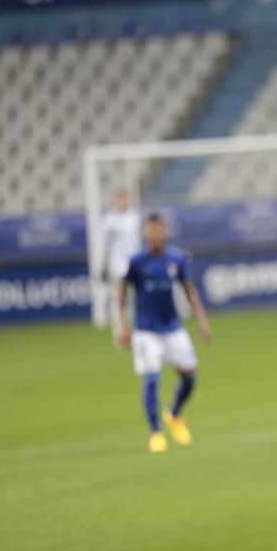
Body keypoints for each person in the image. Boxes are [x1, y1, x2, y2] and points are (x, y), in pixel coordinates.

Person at [115, 213, 212, 454]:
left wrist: (201, 321)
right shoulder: (136, 261)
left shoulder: (176, 259)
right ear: (145, 233)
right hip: (146, 330)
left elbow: (189, 290)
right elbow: (122, 292)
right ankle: (156, 433)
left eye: (159, 229)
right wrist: (122, 326)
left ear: (165, 232)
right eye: (151, 230)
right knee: (151, 379)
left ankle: (174, 415)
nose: (156, 234)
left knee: (190, 377)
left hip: (172, 328)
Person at [99, 190, 142, 335]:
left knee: (136, 297)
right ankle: (119, 331)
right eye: (120, 200)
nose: (124, 202)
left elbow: (138, 242)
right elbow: (105, 245)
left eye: (125, 199)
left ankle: (137, 329)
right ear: (115, 201)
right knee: (118, 298)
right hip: (117, 265)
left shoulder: (134, 218)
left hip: (134, 264)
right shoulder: (109, 220)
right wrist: (104, 264)